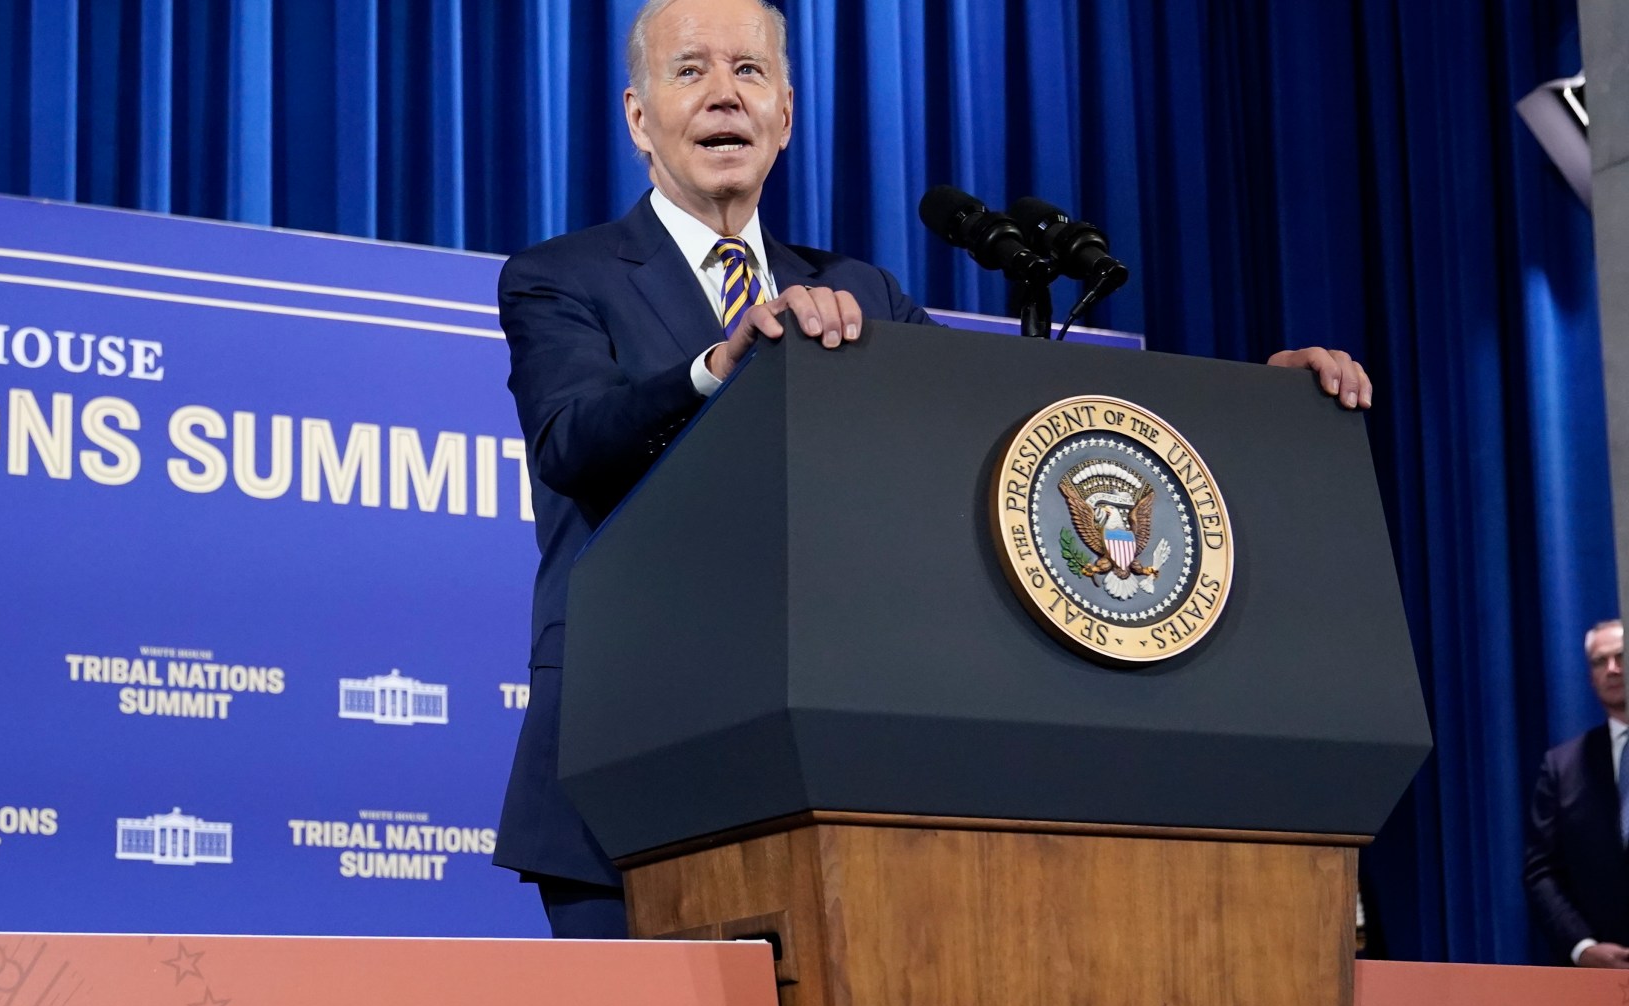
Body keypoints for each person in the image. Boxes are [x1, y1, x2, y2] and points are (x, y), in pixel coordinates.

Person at [492, 0, 1378, 940]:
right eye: (692, 70)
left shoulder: (859, 292)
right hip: (628, 759)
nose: (725, 95)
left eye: (750, 72)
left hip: (828, 778)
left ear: (786, 116)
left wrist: (1252, 407)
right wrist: (720, 364)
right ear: (638, 116)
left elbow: (990, 431)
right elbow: (573, 439)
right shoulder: (562, 276)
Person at [1525, 620, 1629, 967]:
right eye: (1600, 662)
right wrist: (1582, 947)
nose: (1612, 669)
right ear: (1590, 677)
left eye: (1621, 656)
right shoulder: (1562, 766)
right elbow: (1542, 872)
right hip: (1598, 977)